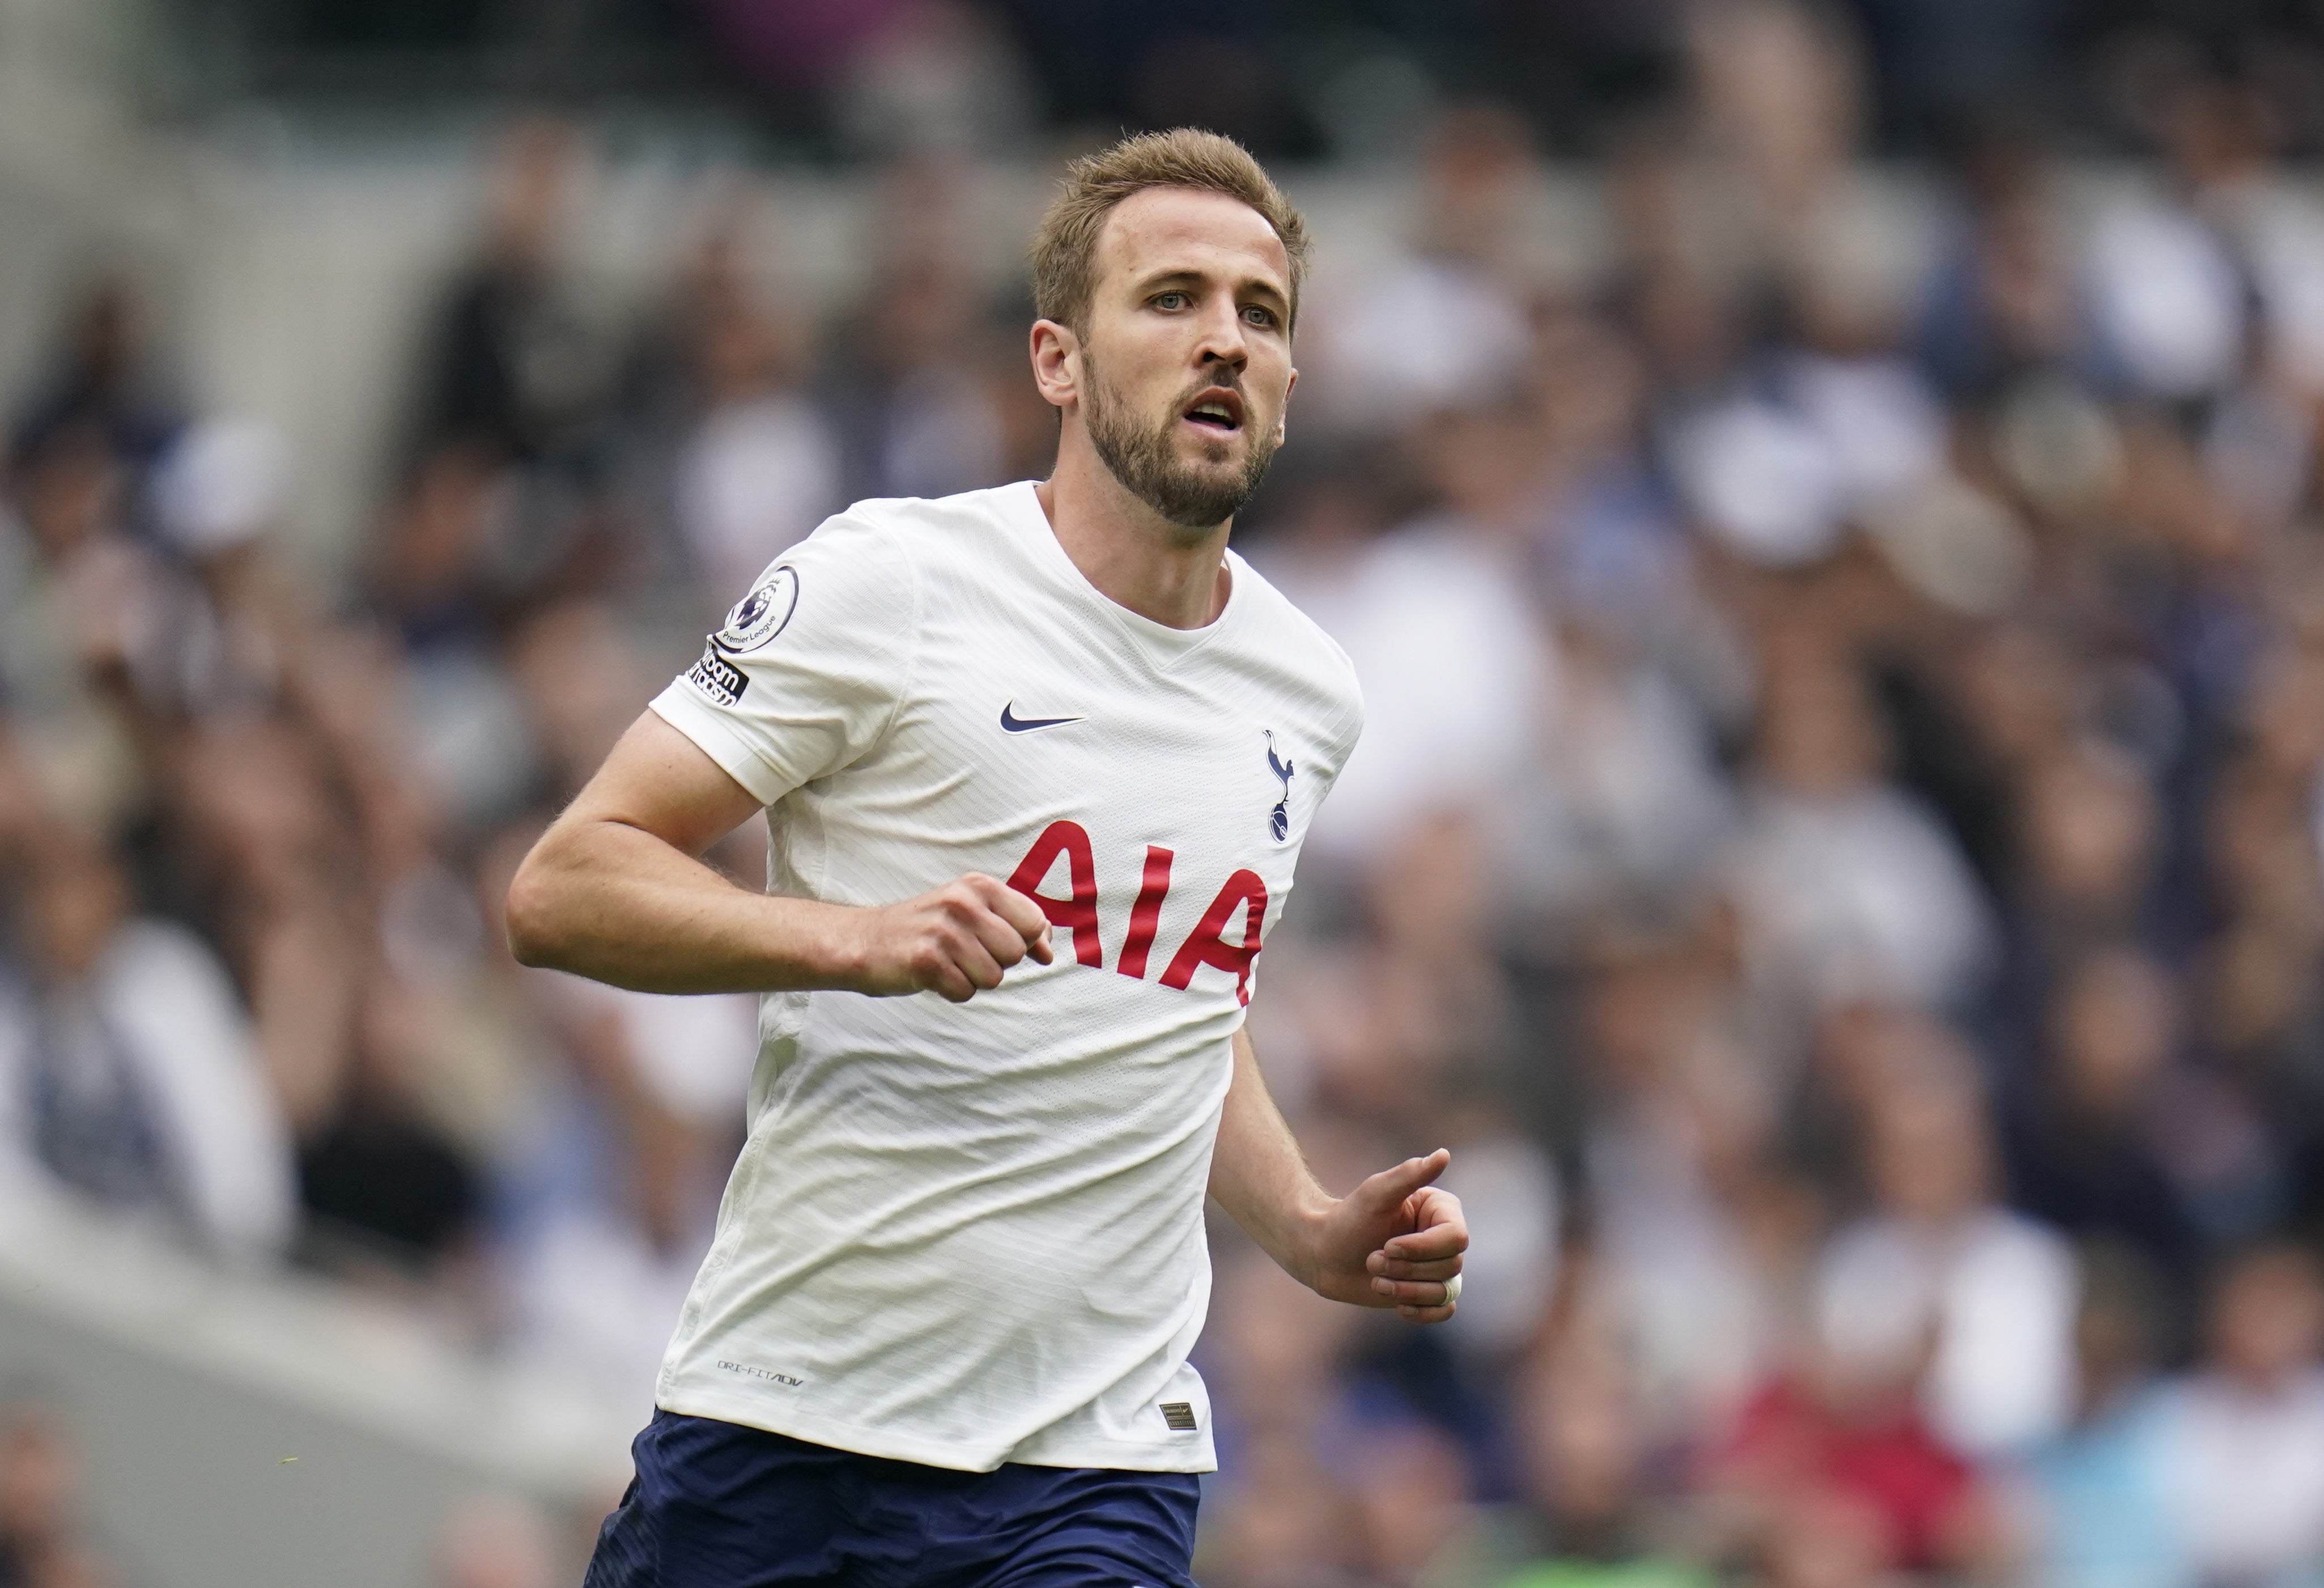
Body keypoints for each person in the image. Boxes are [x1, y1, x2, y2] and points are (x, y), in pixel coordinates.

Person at [507, 129, 1469, 1587]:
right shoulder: (890, 580)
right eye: (1170, 299)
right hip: (791, 1427)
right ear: (1055, 362)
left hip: (1094, 1466)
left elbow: (1173, 1012)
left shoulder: (1305, 689)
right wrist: (851, 939)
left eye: (1257, 315)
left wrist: (1306, 1227)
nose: (1221, 338)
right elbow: (562, 887)